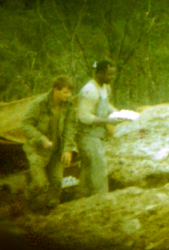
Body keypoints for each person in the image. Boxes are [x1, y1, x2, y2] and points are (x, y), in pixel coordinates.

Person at [22, 75, 76, 213]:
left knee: (57, 182)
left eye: (70, 92)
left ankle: (51, 210)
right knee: (40, 184)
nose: (68, 95)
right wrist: (41, 138)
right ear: (55, 89)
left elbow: (70, 127)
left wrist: (68, 149)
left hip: (57, 151)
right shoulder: (39, 104)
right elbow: (26, 124)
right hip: (37, 150)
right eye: (65, 92)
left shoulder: (68, 105)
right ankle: (26, 202)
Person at [76, 60, 122, 198]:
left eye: (113, 74)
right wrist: (107, 120)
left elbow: (105, 106)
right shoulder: (89, 90)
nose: (111, 77)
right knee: (99, 169)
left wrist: (119, 113)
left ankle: (81, 198)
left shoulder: (105, 88)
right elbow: (83, 116)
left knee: (87, 169)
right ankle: (101, 199)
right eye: (109, 74)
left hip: (96, 134)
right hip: (87, 135)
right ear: (99, 73)